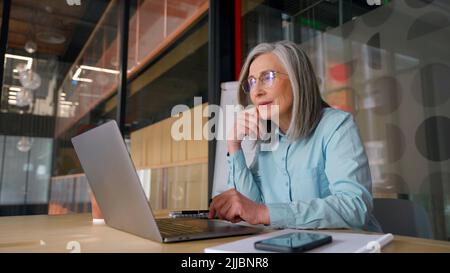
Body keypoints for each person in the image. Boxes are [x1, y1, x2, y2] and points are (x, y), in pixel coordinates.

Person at [208, 41, 381, 232]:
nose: (257, 92)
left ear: (298, 79)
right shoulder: (269, 139)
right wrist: (233, 146)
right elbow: (251, 207)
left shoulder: (336, 126)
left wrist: (263, 213)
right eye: (252, 81)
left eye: (268, 77)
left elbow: (354, 207)